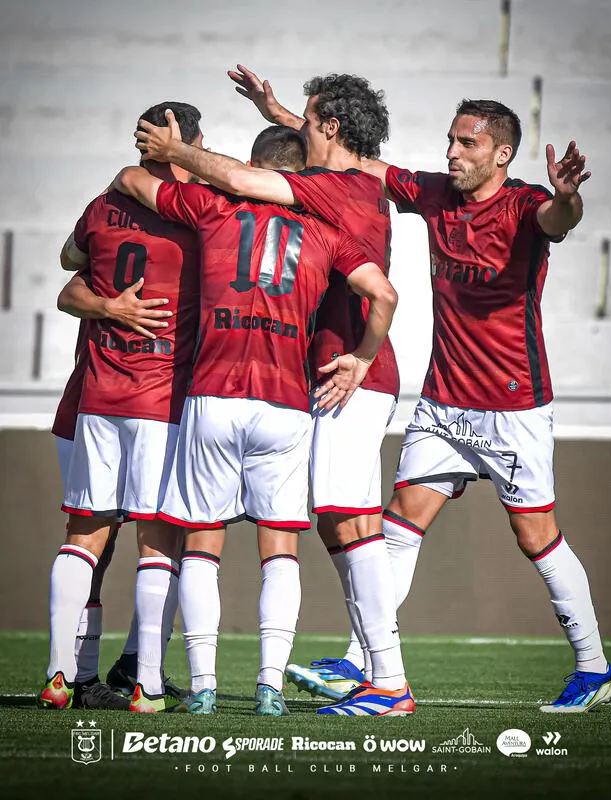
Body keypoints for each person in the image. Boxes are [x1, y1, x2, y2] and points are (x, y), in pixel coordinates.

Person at [134, 72, 414, 717]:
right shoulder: (364, 179)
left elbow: (241, 179)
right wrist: (276, 109)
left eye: (311, 119)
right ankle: (375, 673)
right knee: (334, 528)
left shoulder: (328, 189)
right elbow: (320, 146)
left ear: (332, 129)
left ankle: (389, 682)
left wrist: (175, 154)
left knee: (349, 521)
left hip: (345, 375)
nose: (305, 128)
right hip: (317, 378)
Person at [356, 99, 611, 713]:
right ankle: (364, 660)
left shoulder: (527, 204)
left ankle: (595, 667)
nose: (452, 152)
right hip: (443, 399)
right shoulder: (435, 194)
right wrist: (291, 117)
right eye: (451, 140)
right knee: (399, 524)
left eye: (467, 144)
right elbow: (358, 163)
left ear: (502, 154)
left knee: (536, 537)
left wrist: (569, 196)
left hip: (512, 405)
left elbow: (560, 219)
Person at [37, 101, 201, 714]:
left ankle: (61, 676)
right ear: (191, 141)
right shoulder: (198, 216)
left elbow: (68, 268)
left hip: (97, 398)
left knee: (85, 538)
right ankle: (146, 686)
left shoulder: (105, 206)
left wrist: (109, 305)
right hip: (162, 401)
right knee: (163, 544)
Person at [52, 276, 175, 710]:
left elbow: (70, 270)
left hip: (107, 408)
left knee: (103, 544)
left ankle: (128, 665)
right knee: (112, 543)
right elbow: (68, 289)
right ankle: (84, 675)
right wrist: (109, 307)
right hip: (106, 408)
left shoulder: (116, 235)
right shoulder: (133, 239)